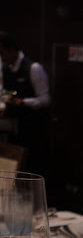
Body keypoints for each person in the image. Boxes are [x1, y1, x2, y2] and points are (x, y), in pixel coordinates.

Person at [0, 31, 50, 174]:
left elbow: (46, 99)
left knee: (29, 167)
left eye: (2, 53)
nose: (1, 58)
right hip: (11, 129)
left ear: (12, 49)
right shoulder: (5, 68)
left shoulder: (33, 68)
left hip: (31, 128)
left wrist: (25, 102)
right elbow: (5, 93)